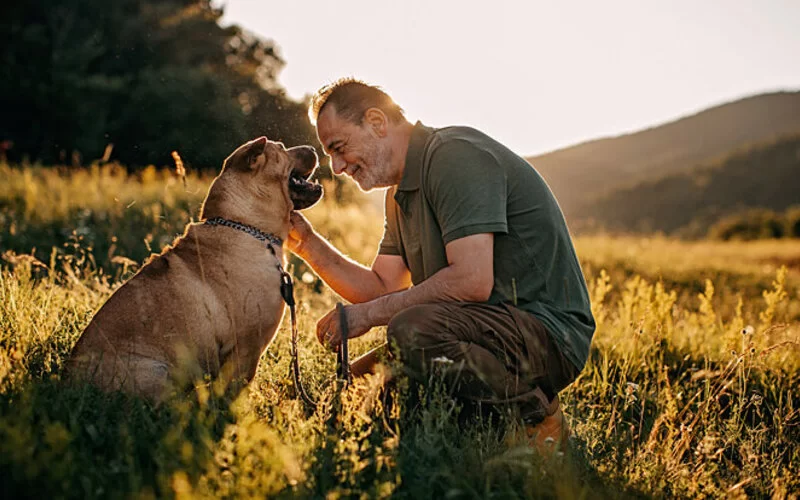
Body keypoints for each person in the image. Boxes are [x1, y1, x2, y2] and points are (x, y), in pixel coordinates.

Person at [287, 78, 595, 451]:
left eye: (339, 147)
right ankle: (476, 420)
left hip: (545, 335)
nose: (335, 167)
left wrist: (367, 316)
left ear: (377, 122)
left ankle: (536, 416)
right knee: (346, 397)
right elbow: (382, 286)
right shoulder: (398, 195)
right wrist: (305, 242)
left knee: (412, 330)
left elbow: (470, 281)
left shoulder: (454, 156)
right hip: (475, 330)